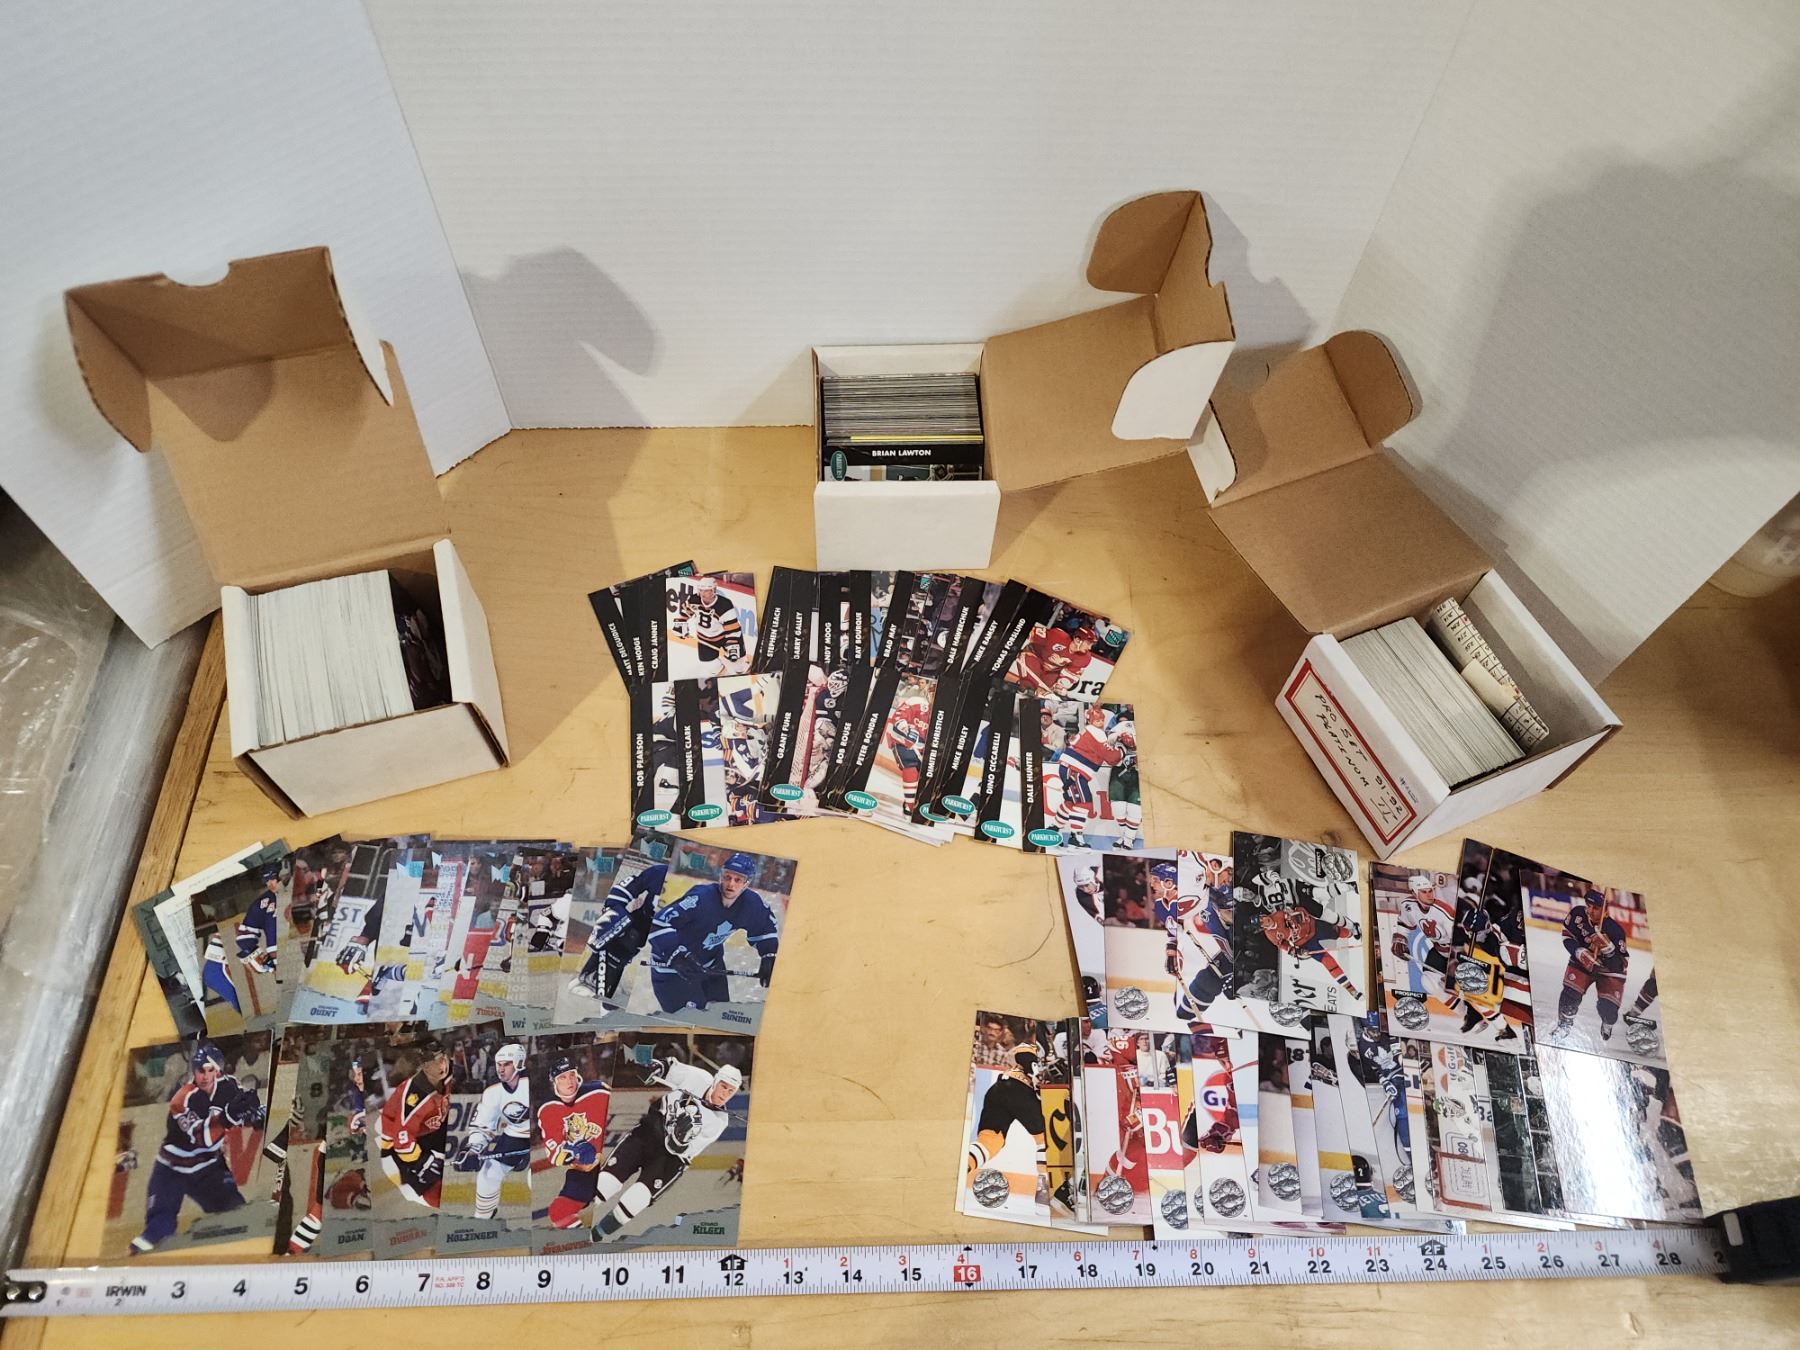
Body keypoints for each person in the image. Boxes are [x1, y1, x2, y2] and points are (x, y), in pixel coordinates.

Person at [129, 1044, 265, 1254]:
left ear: (219, 1071)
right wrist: (229, 1116)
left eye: (210, 1070)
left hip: (209, 1169)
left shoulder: (230, 1087)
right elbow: (202, 1138)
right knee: (158, 1232)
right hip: (172, 1170)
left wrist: (256, 1116)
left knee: (238, 1218)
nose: (205, 1076)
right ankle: (132, 1263)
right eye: (201, 1070)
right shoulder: (182, 1099)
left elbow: (246, 1115)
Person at [590, 1057, 742, 1239]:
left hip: (671, 1161)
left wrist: (679, 1138)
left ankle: (594, 1237)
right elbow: (670, 1068)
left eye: (731, 1091)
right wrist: (656, 1067)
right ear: (715, 1081)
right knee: (604, 1184)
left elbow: (680, 1150)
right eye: (723, 1087)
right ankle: (572, 1223)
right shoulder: (699, 1077)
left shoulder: (719, 1121)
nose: (725, 1094)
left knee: (634, 1201)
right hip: (648, 1134)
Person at [646, 854, 779, 1014]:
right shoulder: (700, 898)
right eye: (727, 877)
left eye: (738, 880)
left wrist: (769, 955)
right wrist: (676, 956)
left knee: (720, 1017)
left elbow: (765, 926)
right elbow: (659, 923)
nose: (731, 884)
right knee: (689, 1020)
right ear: (721, 876)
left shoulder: (752, 904)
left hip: (711, 969)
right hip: (673, 970)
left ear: (747, 883)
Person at [569, 859, 670, 1002]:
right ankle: (591, 980)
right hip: (643, 922)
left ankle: (601, 986)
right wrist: (612, 909)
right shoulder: (660, 872)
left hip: (671, 933)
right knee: (625, 938)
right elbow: (625, 889)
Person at [453, 1043, 531, 1220]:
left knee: (532, 1179)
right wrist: (472, 1150)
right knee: (488, 1172)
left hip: (539, 1133)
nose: (501, 1069)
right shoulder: (493, 1092)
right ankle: (483, 1216)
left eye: (507, 1064)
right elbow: (483, 1127)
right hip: (515, 1135)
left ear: (519, 1063)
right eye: (499, 1065)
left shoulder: (532, 1082)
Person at [536, 1055, 612, 1229]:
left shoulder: (599, 1092)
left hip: (613, 1162)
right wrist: (573, 1152)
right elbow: (554, 1156)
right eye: (562, 1077)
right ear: (554, 1082)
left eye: (571, 1074)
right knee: (559, 1213)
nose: (569, 1081)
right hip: (584, 1172)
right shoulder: (547, 1109)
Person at [1552, 886, 1630, 1043]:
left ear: (1605, 910)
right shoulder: (1577, 914)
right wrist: (1579, 952)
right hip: (1583, 962)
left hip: (1608, 969)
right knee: (1570, 994)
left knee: (1608, 1010)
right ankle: (1564, 1026)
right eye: (1588, 906)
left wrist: (1608, 949)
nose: (1589, 911)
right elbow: (1567, 936)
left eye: (1595, 908)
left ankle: (1607, 1023)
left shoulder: (1616, 931)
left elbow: (1620, 965)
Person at [378, 1040, 451, 1208]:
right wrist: (423, 1162)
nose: (442, 1065)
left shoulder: (447, 1074)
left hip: (430, 1128)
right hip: (398, 1144)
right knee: (434, 1188)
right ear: (424, 1066)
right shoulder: (414, 1098)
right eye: (435, 1062)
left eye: (443, 1058)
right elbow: (401, 1141)